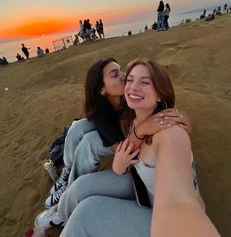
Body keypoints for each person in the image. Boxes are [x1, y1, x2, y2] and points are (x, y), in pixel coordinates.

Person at [47, 59, 206, 237]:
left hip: (168, 221)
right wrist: (121, 161)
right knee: (80, 187)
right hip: (142, 186)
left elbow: (180, 202)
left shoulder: (169, 134)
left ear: (160, 94)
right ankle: (59, 213)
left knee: (85, 213)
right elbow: (122, 158)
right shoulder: (129, 118)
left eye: (144, 82)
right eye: (130, 80)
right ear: (102, 89)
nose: (132, 86)